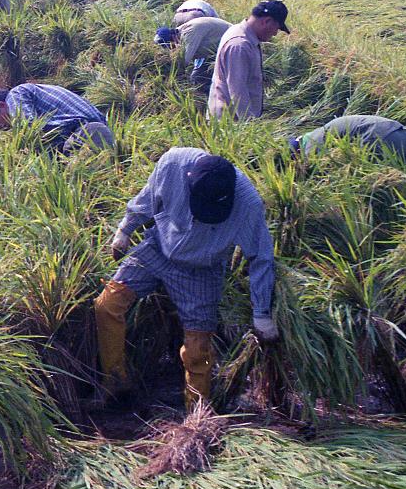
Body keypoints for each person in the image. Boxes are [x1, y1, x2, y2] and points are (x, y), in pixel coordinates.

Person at [96, 149, 277, 409]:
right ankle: (115, 381)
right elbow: (147, 197)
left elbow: (260, 257)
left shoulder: (248, 204)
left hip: (201, 270)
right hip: (157, 248)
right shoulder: (173, 164)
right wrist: (125, 230)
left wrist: (262, 313)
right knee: (107, 306)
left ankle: (197, 413)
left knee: (197, 351)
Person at [207, 0, 290, 121]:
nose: (275, 33)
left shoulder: (240, 32)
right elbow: (238, 91)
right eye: (276, 28)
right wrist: (249, 125)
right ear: (266, 21)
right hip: (230, 122)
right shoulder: (240, 45)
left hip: (233, 118)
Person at [0, 84, 113, 153]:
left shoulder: (14, 95)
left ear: (1, 105)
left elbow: (28, 126)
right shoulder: (38, 91)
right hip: (103, 131)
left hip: (86, 133)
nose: (2, 126)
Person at [156, 15, 231, 95]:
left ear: (173, 37)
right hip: (214, 52)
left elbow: (184, 61)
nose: (171, 48)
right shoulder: (182, 32)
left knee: (199, 79)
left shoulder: (189, 33)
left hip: (231, 46)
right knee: (197, 78)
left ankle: (220, 96)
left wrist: (168, 74)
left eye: (170, 45)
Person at [291, 115, 406, 160]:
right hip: (405, 135)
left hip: (377, 137)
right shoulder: (321, 132)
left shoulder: (312, 144)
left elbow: (319, 172)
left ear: (297, 152)